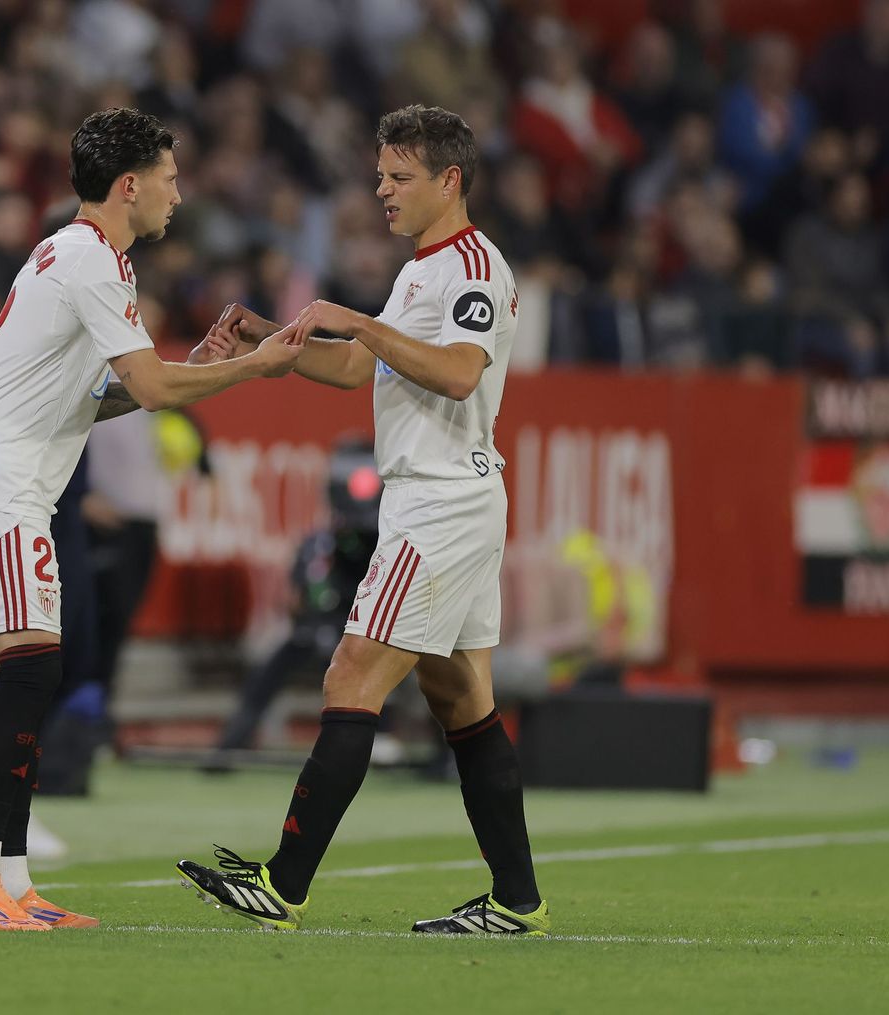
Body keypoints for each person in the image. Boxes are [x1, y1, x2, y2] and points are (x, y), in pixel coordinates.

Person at [176, 105, 550, 936]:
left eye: (400, 177)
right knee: (462, 699)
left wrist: (362, 321)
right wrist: (269, 339)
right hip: (447, 498)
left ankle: (283, 884)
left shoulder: (472, 267)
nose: (382, 189)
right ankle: (517, 900)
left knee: (350, 675)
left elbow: (459, 373)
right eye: (380, 174)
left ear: (450, 181)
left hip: (439, 502)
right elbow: (354, 366)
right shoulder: (422, 269)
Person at [0, 107, 302, 931]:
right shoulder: (92, 260)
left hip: (3, 473)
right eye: (169, 177)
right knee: (31, 673)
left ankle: (10, 877)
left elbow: (98, 396)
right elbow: (158, 390)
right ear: (129, 186)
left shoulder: (78, 255)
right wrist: (252, 365)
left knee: (31, 675)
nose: (178, 193)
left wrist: (190, 366)